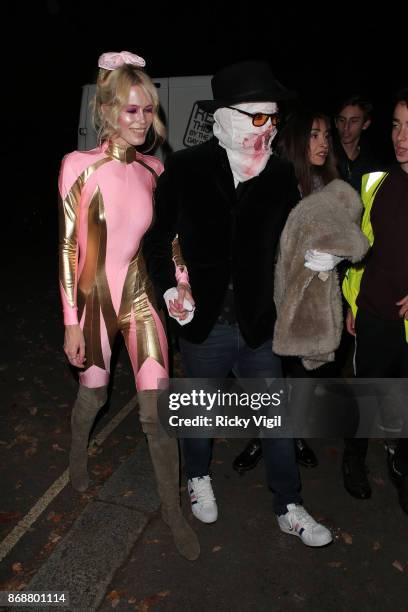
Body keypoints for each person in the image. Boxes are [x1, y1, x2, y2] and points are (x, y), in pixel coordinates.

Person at [143, 61, 332, 547]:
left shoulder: (280, 176)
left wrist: (321, 262)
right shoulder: (184, 168)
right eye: (256, 117)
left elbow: (292, 246)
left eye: (272, 118)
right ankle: (197, 476)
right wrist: (168, 290)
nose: (266, 129)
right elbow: (157, 242)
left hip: (257, 325)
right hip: (202, 322)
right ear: (225, 116)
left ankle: (289, 504)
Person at [58, 50, 199, 560]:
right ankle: (77, 453)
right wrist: (72, 322)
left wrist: (180, 284)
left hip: (140, 299)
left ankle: (171, 510)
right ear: (108, 111)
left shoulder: (154, 170)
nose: (142, 120)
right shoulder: (78, 166)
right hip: (94, 303)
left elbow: (169, 240)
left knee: (158, 413)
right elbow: (70, 248)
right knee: (93, 398)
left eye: (147, 110)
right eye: (131, 110)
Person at [233, 110, 340, 473]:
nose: (324, 143)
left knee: (302, 378)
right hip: (271, 296)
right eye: (314, 135)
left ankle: (292, 435)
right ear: (295, 140)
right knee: (267, 377)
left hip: (309, 301)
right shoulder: (270, 180)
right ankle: (262, 438)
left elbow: (345, 238)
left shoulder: (331, 185)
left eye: (326, 136)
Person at [342, 88, 408, 513]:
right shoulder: (376, 182)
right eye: (398, 125)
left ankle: (399, 463)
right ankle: (353, 460)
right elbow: (360, 249)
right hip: (372, 315)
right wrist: (352, 302)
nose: (402, 136)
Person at [334, 94, 380, 193]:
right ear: (336, 122)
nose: (346, 127)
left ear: (365, 124)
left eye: (353, 121)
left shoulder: (373, 164)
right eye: (342, 120)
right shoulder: (324, 157)